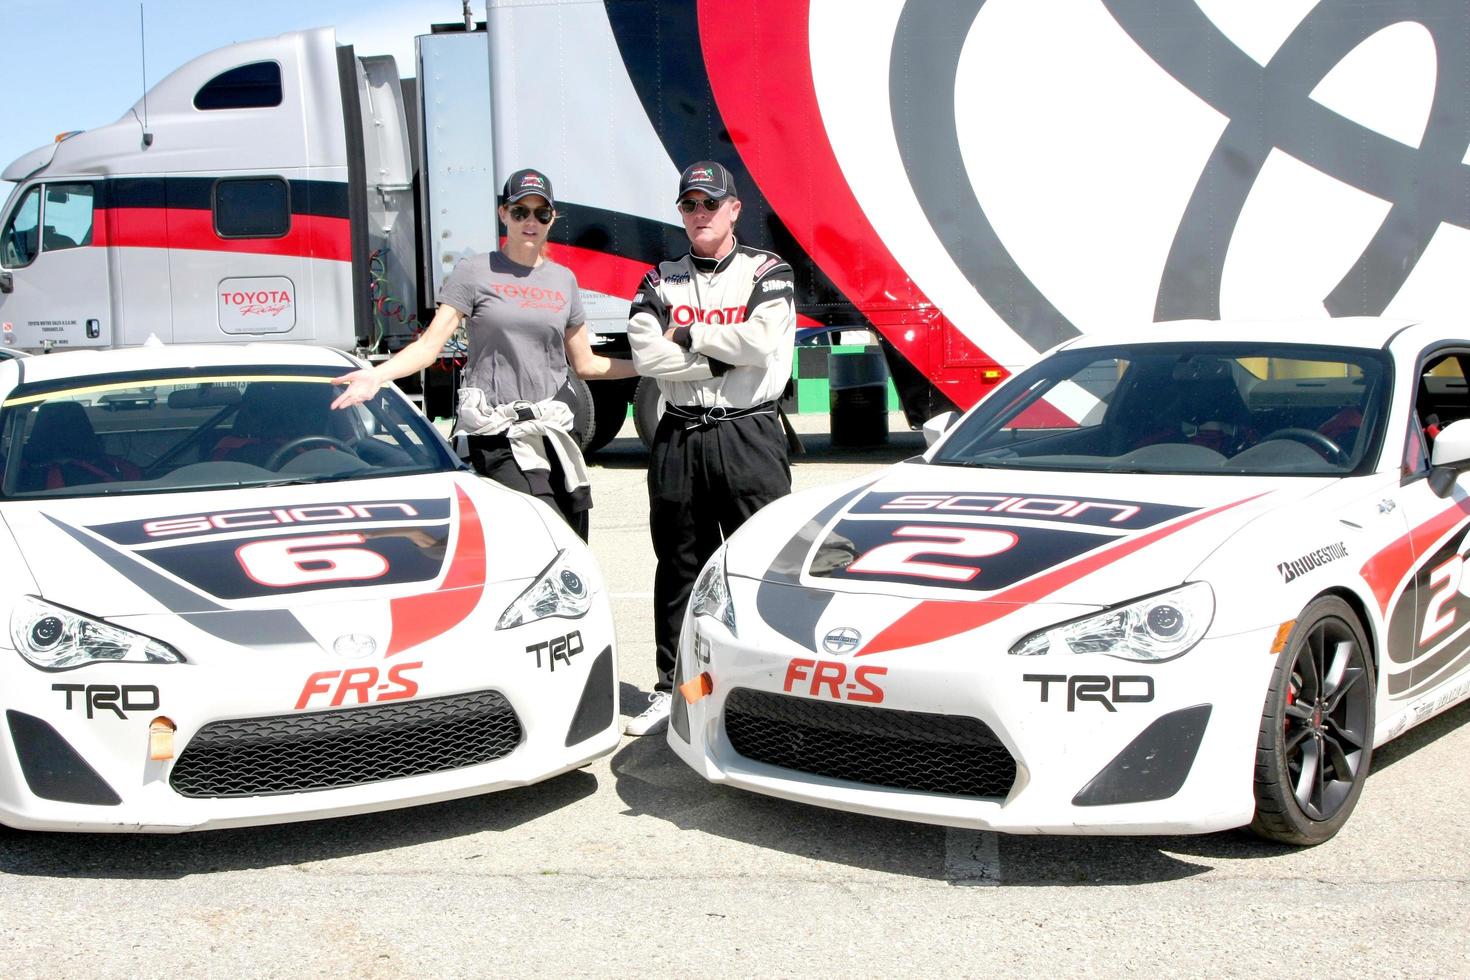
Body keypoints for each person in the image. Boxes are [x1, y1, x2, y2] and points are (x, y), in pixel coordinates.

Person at [331, 168, 635, 539]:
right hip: (497, 433)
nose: (530, 221)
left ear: (552, 219)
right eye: (520, 211)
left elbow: (586, 363)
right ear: (503, 214)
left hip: (553, 433)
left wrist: (651, 365)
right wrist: (375, 376)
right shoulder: (475, 272)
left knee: (573, 541)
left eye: (541, 214)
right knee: (542, 533)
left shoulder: (563, 280)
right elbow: (430, 346)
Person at [624, 160, 797, 735]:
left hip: (749, 433)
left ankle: (773, 688)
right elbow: (648, 358)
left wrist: (691, 335)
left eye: (710, 203)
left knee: (763, 567)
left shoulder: (768, 270)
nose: (700, 214)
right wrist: (726, 351)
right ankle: (672, 687)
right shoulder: (660, 279)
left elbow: (764, 339)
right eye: (690, 205)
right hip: (679, 431)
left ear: (734, 210)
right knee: (678, 567)